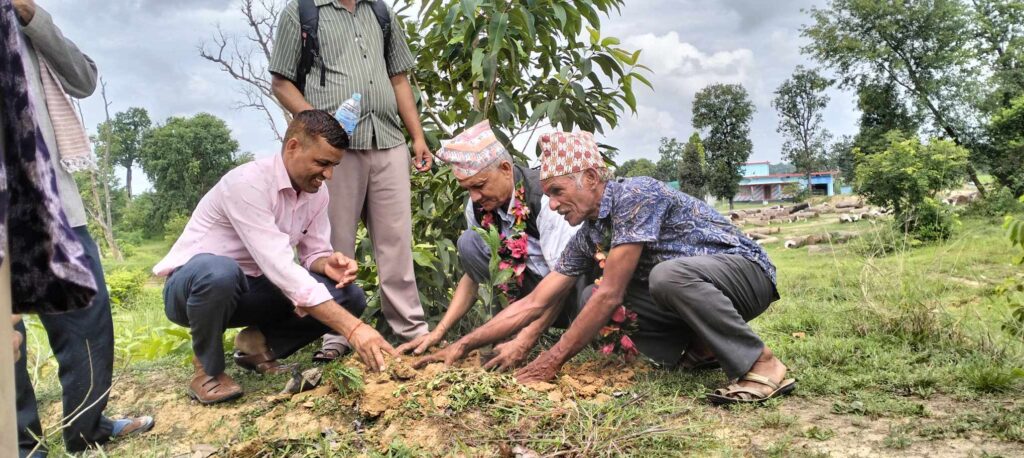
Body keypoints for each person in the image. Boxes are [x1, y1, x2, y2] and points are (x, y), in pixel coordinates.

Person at [417, 131, 795, 404]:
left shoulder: (635, 194)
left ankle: (764, 365)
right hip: (696, 288)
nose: (550, 205)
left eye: (557, 192)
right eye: (546, 194)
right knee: (592, 297)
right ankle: (704, 349)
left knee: (649, 280)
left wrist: (551, 360)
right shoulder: (590, 231)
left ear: (592, 179)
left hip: (747, 275)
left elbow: (612, 291)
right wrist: (463, 343)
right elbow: (536, 301)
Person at [152, 110, 396, 405]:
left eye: (333, 165)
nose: (328, 174)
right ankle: (207, 370)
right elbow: (279, 266)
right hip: (193, 289)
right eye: (322, 163)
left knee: (348, 297)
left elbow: (313, 253)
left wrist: (326, 263)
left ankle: (256, 345)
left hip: (253, 288)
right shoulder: (247, 183)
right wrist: (354, 329)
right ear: (293, 147)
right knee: (220, 271)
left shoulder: (316, 193)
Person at [11, 1, 154, 455]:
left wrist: (31, 15)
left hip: (56, 207)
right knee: (4, 335)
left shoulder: (24, 20)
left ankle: (86, 427)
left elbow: (83, 79)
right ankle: (20, 443)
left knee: (87, 318)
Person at [269, 0, 431, 362]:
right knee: (331, 245)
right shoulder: (303, 12)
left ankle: (412, 332)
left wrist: (417, 137)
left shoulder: (379, 12)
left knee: (396, 243)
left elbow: (399, 79)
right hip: (334, 152)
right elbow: (281, 82)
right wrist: (319, 128)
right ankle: (335, 336)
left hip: (388, 139)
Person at [397, 121, 580, 370]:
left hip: (571, 292)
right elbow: (471, 278)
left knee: (573, 284)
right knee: (469, 243)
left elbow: (565, 279)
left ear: (506, 169)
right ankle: (504, 331)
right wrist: (438, 332)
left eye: (479, 185)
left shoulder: (546, 198)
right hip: (528, 295)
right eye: (468, 188)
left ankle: (530, 333)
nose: (474, 196)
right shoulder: (478, 205)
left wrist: (525, 342)